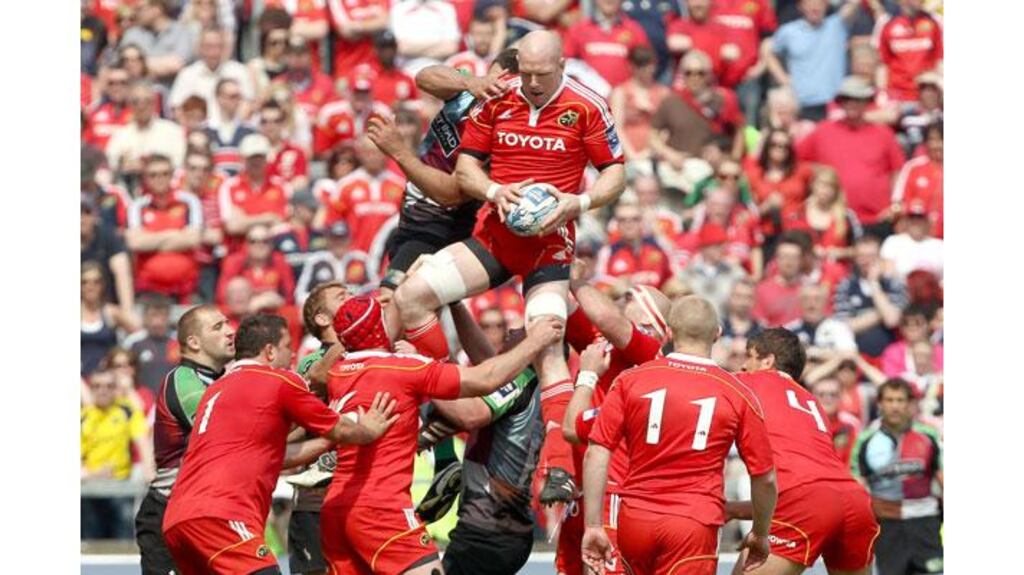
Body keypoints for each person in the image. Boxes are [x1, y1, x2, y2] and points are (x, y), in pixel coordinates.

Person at [393, 29, 626, 499]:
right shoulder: (499, 99)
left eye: (543, 74)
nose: (533, 83)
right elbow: (465, 169)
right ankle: (443, 394)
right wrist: (496, 191)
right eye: (527, 73)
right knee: (410, 296)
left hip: (550, 245)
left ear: (563, 65)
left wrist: (577, 205)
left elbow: (615, 173)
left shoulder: (588, 105)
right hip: (495, 237)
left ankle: (558, 469)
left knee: (547, 343)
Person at [318, 295, 564, 574]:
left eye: (523, 329)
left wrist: (453, 303)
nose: (513, 330)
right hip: (388, 512)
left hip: (339, 506)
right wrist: (533, 340)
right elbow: (486, 376)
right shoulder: (402, 368)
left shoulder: (337, 371)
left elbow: (478, 395)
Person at [162, 314, 399, 575]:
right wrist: (367, 430)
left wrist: (324, 443)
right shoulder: (278, 380)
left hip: (177, 518)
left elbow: (276, 456)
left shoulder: (216, 391)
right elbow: (340, 424)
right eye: (288, 347)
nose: (293, 355)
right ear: (270, 351)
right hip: (221, 514)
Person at [581, 295, 778, 575]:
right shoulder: (736, 392)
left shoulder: (630, 380)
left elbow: (596, 451)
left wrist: (593, 525)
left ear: (670, 332)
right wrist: (760, 532)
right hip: (693, 522)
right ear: (718, 334)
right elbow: (765, 477)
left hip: (636, 518)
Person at [368, 51, 518, 296]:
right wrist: (470, 82)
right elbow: (425, 77)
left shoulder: (506, 133)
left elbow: (450, 194)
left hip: (439, 228)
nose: (497, 93)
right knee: (416, 313)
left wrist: (399, 152)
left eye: (509, 88)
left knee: (390, 298)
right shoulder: (467, 91)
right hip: (413, 217)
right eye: (496, 81)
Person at [730, 328, 878, 575]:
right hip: (854, 502)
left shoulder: (751, 381)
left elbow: (802, 492)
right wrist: (734, 509)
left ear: (767, 361)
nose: (744, 366)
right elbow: (816, 487)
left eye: (749, 356)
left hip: (805, 501)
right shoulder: (810, 401)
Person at [415, 303, 545, 575]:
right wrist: (455, 301)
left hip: (489, 532)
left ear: (534, 344)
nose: (513, 330)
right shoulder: (521, 378)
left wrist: (420, 369)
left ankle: (445, 461)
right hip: (500, 529)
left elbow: (469, 415)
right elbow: (484, 359)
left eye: (523, 329)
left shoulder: (521, 380)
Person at [556, 280, 671, 575]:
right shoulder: (607, 346)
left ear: (648, 322)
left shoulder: (648, 354)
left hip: (615, 497)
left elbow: (571, 427)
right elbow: (565, 310)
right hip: (585, 496)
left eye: (628, 298)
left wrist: (573, 273)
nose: (617, 303)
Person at [134, 305, 236, 575]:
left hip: (205, 512)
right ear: (193, 342)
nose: (230, 331)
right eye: (218, 327)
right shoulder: (182, 379)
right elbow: (226, 435)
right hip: (168, 512)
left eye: (228, 323)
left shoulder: (226, 381)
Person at [850, 378, 943, 575]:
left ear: (910, 404)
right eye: (890, 400)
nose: (895, 406)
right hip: (886, 528)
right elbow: (855, 489)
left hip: (925, 524)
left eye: (900, 400)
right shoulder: (865, 440)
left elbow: (943, 479)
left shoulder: (929, 435)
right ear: (880, 404)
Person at [797, 76, 906, 234]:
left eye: (858, 99)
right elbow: (795, 162)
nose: (852, 104)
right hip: (834, 219)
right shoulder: (822, 131)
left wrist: (895, 205)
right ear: (841, 103)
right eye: (847, 99)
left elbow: (898, 171)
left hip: (877, 219)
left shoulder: (884, 134)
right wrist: (818, 173)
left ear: (866, 102)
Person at [81, 370, 154, 540]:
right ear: (91, 390)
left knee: (123, 544)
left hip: (120, 487)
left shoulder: (127, 411)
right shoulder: (83, 417)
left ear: (116, 389)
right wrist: (93, 473)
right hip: (89, 490)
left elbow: (142, 441)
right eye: (97, 386)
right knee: (91, 545)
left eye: (109, 386)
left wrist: (149, 470)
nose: (103, 390)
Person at [764, 0, 864, 120]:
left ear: (825, 6)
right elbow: (767, 50)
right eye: (810, 4)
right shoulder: (789, 32)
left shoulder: (837, 25)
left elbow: (854, 4)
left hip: (834, 104)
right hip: (803, 104)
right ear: (801, 7)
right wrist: (783, 79)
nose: (815, 8)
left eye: (819, 4)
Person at [649, 50, 745, 174]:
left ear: (709, 75)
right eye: (689, 73)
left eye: (700, 73)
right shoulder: (671, 101)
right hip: (678, 166)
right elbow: (653, 135)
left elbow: (739, 133)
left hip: (712, 167)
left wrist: (732, 161)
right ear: (682, 75)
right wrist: (669, 154)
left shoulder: (724, 99)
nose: (694, 77)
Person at [126, 155, 204, 301]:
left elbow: (193, 240)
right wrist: (175, 235)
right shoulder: (137, 206)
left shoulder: (189, 201)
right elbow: (135, 243)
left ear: (172, 175)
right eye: (153, 175)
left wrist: (151, 240)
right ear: (145, 178)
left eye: (164, 173)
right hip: (149, 289)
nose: (159, 178)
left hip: (186, 289)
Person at [319, 135, 405, 253]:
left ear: (385, 153)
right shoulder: (345, 186)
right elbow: (332, 223)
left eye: (377, 152)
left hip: (389, 258)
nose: (373, 157)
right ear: (360, 154)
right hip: (356, 259)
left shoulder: (399, 186)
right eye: (368, 152)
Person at [833, 235, 908, 358]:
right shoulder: (846, 286)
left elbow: (892, 320)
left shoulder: (894, 283)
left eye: (871, 256)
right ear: (855, 259)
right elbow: (844, 327)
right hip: (856, 357)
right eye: (862, 256)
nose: (867, 261)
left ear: (879, 257)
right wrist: (881, 312)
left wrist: (874, 283)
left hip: (891, 356)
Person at [218, 134, 294, 248]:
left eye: (260, 157)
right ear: (242, 159)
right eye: (251, 157)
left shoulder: (281, 186)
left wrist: (245, 220)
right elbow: (232, 226)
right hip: (239, 250)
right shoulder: (229, 186)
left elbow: (283, 222)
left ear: (267, 158)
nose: (256, 162)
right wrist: (268, 218)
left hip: (275, 248)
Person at [169, 27, 256, 125]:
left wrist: (232, 129)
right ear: (200, 48)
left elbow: (248, 104)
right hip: (199, 133)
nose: (213, 52)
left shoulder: (239, 71)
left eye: (218, 46)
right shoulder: (187, 74)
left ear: (224, 47)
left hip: (233, 130)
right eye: (208, 46)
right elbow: (177, 108)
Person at [106, 82, 187, 183]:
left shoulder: (173, 131)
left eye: (146, 101)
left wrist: (146, 167)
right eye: (136, 102)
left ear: (154, 104)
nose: (141, 106)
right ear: (130, 105)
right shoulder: (120, 134)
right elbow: (111, 163)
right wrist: (123, 165)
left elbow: (178, 163)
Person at [782, 165, 862, 264]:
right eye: (822, 185)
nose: (825, 191)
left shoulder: (847, 216)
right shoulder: (797, 214)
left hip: (837, 272)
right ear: (813, 185)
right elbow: (785, 246)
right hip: (803, 272)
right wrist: (809, 250)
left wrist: (841, 253)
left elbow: (861, 249)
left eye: (830, 187)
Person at [563, 0, 651, 88]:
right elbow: (566, 65)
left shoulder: (634, 29)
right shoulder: (579, 29)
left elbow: (646, 65)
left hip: (624, 98)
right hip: (590, 96)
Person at [744, 128, 812, 238]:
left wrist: (808, 205)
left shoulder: (801, 171)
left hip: (796, 233)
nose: (780, 149)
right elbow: (746, 212)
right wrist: (765, 207)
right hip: (766, 233)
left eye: (785, 146)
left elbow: (825, 178)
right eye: (774, 144)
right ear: (767, 147)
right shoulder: (755, 174)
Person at [609, 46, 670, 166]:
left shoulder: (663, 93)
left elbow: (667, 128)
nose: (648, 69)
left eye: (650, 64)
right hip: (629, 155)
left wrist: (654, 150)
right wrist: (632, 156)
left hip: (658, 153)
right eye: (642, 65)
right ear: (632, 66)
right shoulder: (621, 92)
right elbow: (617, 129)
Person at [877, 0, 943, 104]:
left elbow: (940, 59)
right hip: (897, 95)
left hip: (926, 95)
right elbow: (882, 64)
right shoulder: (887, 22)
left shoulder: (935, 21)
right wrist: (881, 93)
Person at [217, 224, 297, 310]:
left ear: (271, 245)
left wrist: (278, 301)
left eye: (265, 241)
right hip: (242, 315)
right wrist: (252, 304)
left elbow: (290, 296)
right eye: (253, 241)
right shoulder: (234, 262)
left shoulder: (280, 261)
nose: (259, 245)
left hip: (273, 312)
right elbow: (222, 297)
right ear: (246, 245)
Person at [597, 202, 674, 289]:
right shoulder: (608, 252)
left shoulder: (659, 247)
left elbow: (674, 280)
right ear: (617, 224)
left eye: (635, 219)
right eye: (622, 220)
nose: (628, 224)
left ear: (642, 222)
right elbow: (601, 285)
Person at [82, 262, 140, 376]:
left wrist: (122, 357)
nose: (90, 286)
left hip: (107, 381)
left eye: (96, 282)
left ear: (103, 285)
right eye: (84, 282)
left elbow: (139, 334)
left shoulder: (111, 312)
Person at [118, 0, 194, 86]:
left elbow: (177, 64)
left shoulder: (181, 32)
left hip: (170, 93)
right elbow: (122, 64)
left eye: (140, 9)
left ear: (157, 9)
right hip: (138, 93)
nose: (136, 13)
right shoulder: (132, 34)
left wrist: (140, 64)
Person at [81, 194, 135, 313]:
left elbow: (122, 272)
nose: (82, 218)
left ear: (95, 215)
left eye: (87, 212)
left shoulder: (108, 237)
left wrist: (127, 312)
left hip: (105, 307)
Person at [294, 222, 372, 303]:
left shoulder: (361, 259)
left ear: (349, 239)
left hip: (357, 307)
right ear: (328, 239)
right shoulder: (316, 261)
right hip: (325, 311)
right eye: (335, 239)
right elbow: (300, 295)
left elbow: (374, 287)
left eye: (342, 238)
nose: (339, 243)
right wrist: (325, 301)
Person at [679, 223, 747, 312]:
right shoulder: (688, 273)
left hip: (725, 324)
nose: (722, 248)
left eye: (723, 244)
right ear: (703, 247)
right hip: (696, 323)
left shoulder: (734, 272)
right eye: (717, 245)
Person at [892, 121, 942, 238]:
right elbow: (898, 203)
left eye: (941, 140)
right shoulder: (913, 167)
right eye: (932, 140)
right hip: (919, 239)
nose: (938, 145)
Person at [665, 0, 735, 83]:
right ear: (687, 3)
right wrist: (715, 47)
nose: (698, 4)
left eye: (703, 0)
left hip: (713, 84)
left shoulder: (721, 28)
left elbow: (732, 53)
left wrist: (692, 43)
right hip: (684, 84)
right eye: (694, 1)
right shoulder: (679, 25)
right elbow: (674, 44)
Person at [785, 283, 858, 363]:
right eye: (806, 299)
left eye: (817, 299)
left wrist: (813, 353)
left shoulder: (838, 327)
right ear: (799, 303)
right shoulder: (789, 330)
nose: (811, 304)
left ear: (824, 303)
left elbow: (850, 356)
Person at [123, 296, 178, 396]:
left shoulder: (178, 342)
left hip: (171, 402)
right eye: (153, 315)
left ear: (169, 317)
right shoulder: (133, 342)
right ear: (145, 317)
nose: (158, 321)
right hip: (143, 402)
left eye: (163, 316)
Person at [204, 78, 259, 176]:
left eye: (239, 97)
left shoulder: (250, 131)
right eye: (232, 96)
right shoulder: (205, 131)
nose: (237, 101)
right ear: (219, 98)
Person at [753, 232, 807, 327]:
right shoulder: (762, 290)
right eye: (785, 256)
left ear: (801, 261)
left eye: (794, 257)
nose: (789, 262)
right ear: (777, 259)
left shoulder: (809, 291)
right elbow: (759, 323)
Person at [326, 0, 390, 81]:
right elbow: (346, 31)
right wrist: (373, 27)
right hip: (348, 66)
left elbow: (384, 21)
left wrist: (357, 26)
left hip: (378, 66)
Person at [390, 0, 461, 72]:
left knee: (464, 72)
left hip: (439, 70)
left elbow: (451, 47)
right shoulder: (399, 9)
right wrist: (438, 45)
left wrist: (413, 48)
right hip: (407, 70)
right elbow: (401, 47)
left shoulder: (446, 9)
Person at [880, 200, 943, 280]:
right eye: (912, 218)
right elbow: (888, 274)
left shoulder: (940, 245)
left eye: (920, 218)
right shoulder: (893, 242)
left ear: (927, 221)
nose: (916, 222)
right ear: (906, 221)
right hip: (902, 290)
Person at [261, 101, 310, 192]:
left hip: (287, 202)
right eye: (264, 121)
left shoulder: (296, 152)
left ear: (283, 123)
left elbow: (301, 181)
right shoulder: (253, 153)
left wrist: (279, 193)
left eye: (275, 121)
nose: (269, 126)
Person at [811, 377, 862, 464]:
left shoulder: (849, 428)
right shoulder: (804, 426)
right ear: (811, 397)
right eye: (821, 394)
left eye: (833, 395)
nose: (827, 399)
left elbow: (851, 464)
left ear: (841, 397)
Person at [86, 64, 133, 150]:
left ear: (130, 86)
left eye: (122, 83)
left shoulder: (138, 113)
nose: (117, 87)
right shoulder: (94, 113)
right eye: (112, 83)